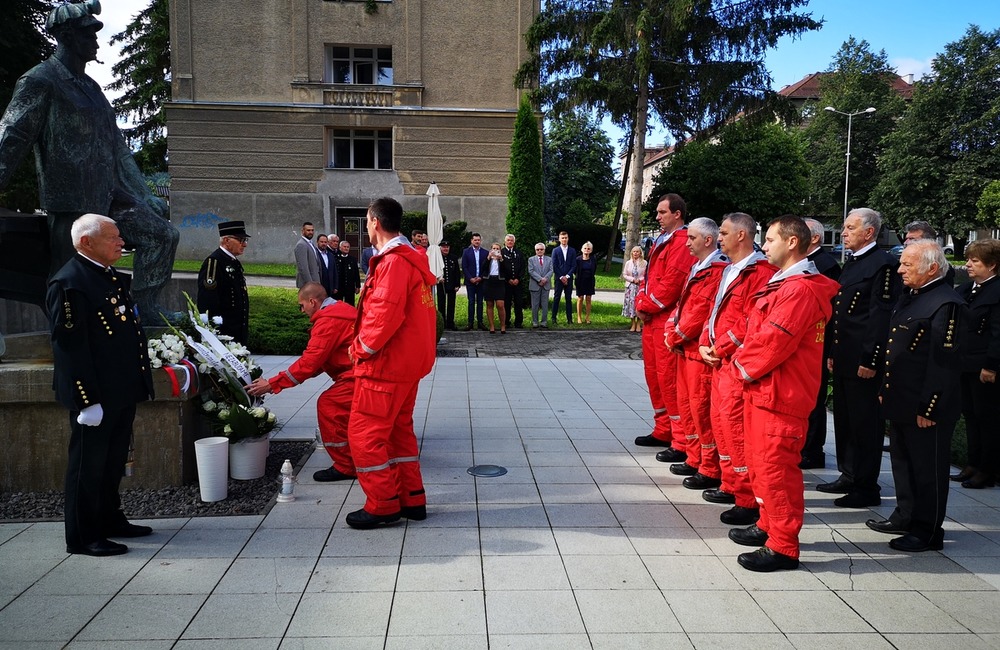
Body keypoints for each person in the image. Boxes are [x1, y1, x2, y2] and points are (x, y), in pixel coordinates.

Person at [0, 1, 179, 319]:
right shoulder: (41, 80)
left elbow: (119, 149)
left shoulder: (93, 89)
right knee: (70, 278)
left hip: (110, 196)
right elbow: (11, 136)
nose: (95, 40)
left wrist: (144, 193)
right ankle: (66, 334)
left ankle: (147, 308)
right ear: (67, 37)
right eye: (87, 34)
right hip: (71, 202)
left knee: (162, 235)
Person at [727, 216, 839, 572]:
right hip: (765, 390)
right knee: (761, 466)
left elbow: (773, 341)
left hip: (781, 393)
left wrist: (736, 369)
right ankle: (768, 525)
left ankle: (783, 546)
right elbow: (754, 329)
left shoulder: (800, 289)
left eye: (771, 239)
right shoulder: (783, 283)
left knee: (777, 471)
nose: (764, 245)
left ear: (792, 242)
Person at [47, 214, 155, 556]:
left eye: (119, 236)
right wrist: (86, 400)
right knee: (88, 466)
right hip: (95, 395)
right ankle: (82, 535)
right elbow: (69, 347)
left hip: (119, 390)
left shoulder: (106, 277)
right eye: (113, 237)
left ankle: (110, 518)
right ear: (86, 243)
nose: (121, 242)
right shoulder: (71, 283)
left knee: (111, 462)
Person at [346, 197, 436, 529]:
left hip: (385, 368)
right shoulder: (411, 260)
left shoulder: (393, 264)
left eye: (366, 222)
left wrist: (359, 350)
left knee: (363, 436)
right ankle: (412, 498)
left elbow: (381, 318)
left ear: (374, 222)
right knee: (399, 435)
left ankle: (383, 503)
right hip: (404, 367)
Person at [868, 240, 963, 552]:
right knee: (903, 464)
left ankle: (928, 530)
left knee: (928, 471)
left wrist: (930, 406)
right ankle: (906, 514)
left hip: (926, 405)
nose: (900, 270)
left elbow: (943, 363)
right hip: (902, 399)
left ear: (931, 268)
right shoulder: (913, 297)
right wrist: (885, 389)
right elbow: (896, 348)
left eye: (907, 265)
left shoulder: (945, 303)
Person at [698, 213, 776, 525]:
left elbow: (749, 319)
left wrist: (722, 345)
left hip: (734, 361)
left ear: (742, 235)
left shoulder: (759, 272)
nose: (719, 238)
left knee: (734, 428)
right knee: (721, 424)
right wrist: (706, 340)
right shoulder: (730, 269)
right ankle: (731, 483)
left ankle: (747, 499)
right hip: (719, 359)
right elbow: (715, 310)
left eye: (725, 232)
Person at [821, 208, 901, 508]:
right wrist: (832, 351)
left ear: (869, 232)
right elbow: (841, 312)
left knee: (865, 423)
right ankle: (849, 473)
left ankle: (866, 485)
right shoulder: (854, 262)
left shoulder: (884, 265)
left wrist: (871, 359)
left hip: (863, 359)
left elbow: (879, 317)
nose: (843, 233)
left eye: (850, 228)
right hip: (844, 354)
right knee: (844, 420)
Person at [246, 282, 358, 482]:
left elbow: (309, 362)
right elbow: (323, 359)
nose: (301, 310)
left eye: (302, 305)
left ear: (312, 302)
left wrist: (272, 384)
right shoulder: (341, 312)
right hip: (363, 372)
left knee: (329, 405)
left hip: (356, 376)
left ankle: (346, 465)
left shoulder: (328, 321)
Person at [665, 218, 727, 488]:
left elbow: (700, 310)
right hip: (686, 349)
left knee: (701, 408)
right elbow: (682, 305)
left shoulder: (716, 270)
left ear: (707, 240)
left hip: (698, 350)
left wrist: (676, 334)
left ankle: (710, 466)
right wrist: (671, 328)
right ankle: (694, 457)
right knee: (687, 405)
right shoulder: (698, 267)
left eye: (691, 238)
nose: (687, 243)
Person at [633, 194, 693, 460]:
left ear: (677, 214)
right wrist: (641, 301)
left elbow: (671, 284)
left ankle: (679, 438)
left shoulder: (681, 242)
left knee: (669, 380)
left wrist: (646, 306)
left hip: (665, 320)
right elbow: (647, 277)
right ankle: (662, 428)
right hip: (652, 320)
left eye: (662, 212)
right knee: (654, 376)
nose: (657, 217)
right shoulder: (661, 240)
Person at [952, 239, 1000, 489]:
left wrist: (991, 366)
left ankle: (987, 469)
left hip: (984, 367)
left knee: (987, 418)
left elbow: (997, 333)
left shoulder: (996, 291)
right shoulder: (966, 289)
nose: (968, 264)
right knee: (969, 414)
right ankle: (972, 463)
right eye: (969, 259)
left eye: (975, 261)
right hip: (964, 363)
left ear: (992, 265)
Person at [800, 218, 842, 470]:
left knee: (814, 397)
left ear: (814, 238)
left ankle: (813, 450)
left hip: (819, 338)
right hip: (808, 339)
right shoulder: (809, 262)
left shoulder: (825, 264)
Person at [196, 221, 250, 345]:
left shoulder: (233, 261)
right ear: (226, 240)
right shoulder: (215, 262)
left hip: (237, 328)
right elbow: (208, 297)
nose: (244, 244)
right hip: (224, 329)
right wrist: (214, 325)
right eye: (241, 240)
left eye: (245, 240)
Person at [903, 221, 955, 285]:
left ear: (928, 242)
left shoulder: (942, 270)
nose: (906, 242)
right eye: (907, 239)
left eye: (912, 239)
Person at [462, 233, 489, 330]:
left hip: (481, 281)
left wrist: (481, 277)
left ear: (480, 241)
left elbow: (486, 267)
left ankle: (480, 322)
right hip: (471, 282)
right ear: (471, 241)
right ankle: (470, 322)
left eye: (478, 240)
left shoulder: (485, 253)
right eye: (475, 240)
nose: (477, 241)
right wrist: (470, 278)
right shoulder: (466, 252)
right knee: (471, 301)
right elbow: (464, 267)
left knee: (480, 302)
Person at [551, 231, 577, 325]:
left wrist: (567, 276)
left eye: (566, 237)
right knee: (556, 298)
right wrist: (561, 277)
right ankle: (553, 318)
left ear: (568, 238)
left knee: (568, 299)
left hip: (569, 279)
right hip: (558, 278)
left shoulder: (572, 251)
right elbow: (554, 265)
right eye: (562, 238)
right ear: (559, 239)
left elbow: (574, 265)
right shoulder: (555, 251)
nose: (564, 239)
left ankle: (569, 319)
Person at [501, 234, 526, 329]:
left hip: (517, 283)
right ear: (505, 241)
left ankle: (518, 322)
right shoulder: (502, 253)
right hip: (506, 283)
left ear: (514, 242)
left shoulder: (519, 253)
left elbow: (523, 267)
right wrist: (508, 279)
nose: (510, 242)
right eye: (508, 240)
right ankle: (506, 321)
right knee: (506, 303)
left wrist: (518, 279)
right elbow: (501, 269)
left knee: (518, 303)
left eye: (511, 240)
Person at [484, 242, 507, 334]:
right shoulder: (488, 258)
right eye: (493, 248)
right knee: (489, 304)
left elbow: (506, 270)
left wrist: (501, 259)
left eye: (497, 249)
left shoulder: (502, 259)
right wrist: (488, 258)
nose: (495, 250)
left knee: (500, 305)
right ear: (491, 250)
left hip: (499, 282)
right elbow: (483, 268)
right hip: (489, 282)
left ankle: (502, 325)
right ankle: (492, 326)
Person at [437, 240, 461, 329]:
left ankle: (450, 323)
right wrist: (438, 278)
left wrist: (457, 284)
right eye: (443, 247)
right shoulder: (438, 258)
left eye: (447, 247)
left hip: (451, 284)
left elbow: (457, 272)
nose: (445, 248)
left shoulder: (453, 258)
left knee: (451, 304)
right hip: (441, 284)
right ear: (440, 248)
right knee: (441, 304)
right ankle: (442, 323)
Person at [528, 243, 553, 328]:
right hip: (535, 285)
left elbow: (551, 270)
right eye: (537, 249)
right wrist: (539, 279)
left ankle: (544, 322)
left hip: (546, 285)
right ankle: (535, 322)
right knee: (535, 305)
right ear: (535, 250)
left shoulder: (549, 259)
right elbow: (531, 271)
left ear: (544, 250)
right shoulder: (531, 259)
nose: (539, 251)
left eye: (541, 249)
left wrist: (545, 279)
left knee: (545, 304)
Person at [622, 246, 646, 332]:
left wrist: (639, 280)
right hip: (630, 287)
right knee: (631, 305)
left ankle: (639, 323)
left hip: (640, 286)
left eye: (637, 252)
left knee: (639, 305)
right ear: (631, 253)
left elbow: (646, 275)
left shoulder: (644, 263)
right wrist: (632, 279)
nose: (635, 253)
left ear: (640, 253)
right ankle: (633, 323)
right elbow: (624, 274)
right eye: (634, 252)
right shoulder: (628, 263)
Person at [574, 241, 597, 324]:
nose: (586, 250)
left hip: (589, 281)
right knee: (580, 299)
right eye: (585, 248)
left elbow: (594, 269)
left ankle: (587, 317)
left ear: (591, 250)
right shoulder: (577, 259)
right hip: (580, 281)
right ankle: (579, 317)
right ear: (582, 249)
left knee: (588, 299)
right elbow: (575, 270)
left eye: (588, 249)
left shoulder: (593, 259)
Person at [294, 222, 321, 289]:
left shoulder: (310, 243)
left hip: (315, 281)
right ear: (303, 231)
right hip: (307, 284)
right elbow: (303, 267)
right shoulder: (301, 245)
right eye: (308, 230)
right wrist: (310, 283)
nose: (311, 232)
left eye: (312, 230)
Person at [335, 240, 361, 307]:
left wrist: (358, 285)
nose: (346, 248)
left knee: (350, 304)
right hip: (339, 286)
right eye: (344, 247)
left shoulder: (352, 259)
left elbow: (356, 273)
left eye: (348, 247)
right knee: (338, 304)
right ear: (340, 248)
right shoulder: (336, 258)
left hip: (350, 286)